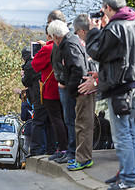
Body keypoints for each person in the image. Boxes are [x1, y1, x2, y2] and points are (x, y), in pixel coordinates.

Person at [86, 0, 135, 189]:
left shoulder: (115, 28)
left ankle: (129, 180)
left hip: (119, 88)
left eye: (104, 9)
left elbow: (97, 52)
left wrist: (94, 31)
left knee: (121, 137)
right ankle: (129, 173)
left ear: (108, 8)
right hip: (134, 83)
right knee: (130, 132)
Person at [47, 20, 95, 171]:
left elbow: (78, 69)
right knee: (80, 123)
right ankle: (80, 156)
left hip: (81, 88)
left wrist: (72, 89)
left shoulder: (69, 45)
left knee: (81, 124)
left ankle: (81, 158)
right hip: (82, 87)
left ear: (55, 36)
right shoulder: (73, 41)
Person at [31, 26, 68, 162]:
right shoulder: (66, 45)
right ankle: (61, 147)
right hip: (65, 87)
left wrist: (44, 46)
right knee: (65, 119)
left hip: (51, 89)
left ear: (50, 35)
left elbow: (35, 65)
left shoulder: (48, 48)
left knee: (55, 120)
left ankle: (62, 148)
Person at [47, 10, 77, 163]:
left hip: (67, 86)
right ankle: (67, 150)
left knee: (69, 120)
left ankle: (70, 151)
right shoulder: (60, 41)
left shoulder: (69, 41)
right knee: (66, 119)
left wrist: (65, 82)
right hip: (62, 84)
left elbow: (75, 66)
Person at [21, 47, 56, 157]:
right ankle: (51, 149)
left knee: (37, 122)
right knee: (51, 122)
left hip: (39, 97)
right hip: (51, 94)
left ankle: (35, 150)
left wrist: (23, 76)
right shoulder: (47, 58)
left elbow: (26, 82)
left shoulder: (29, 65)